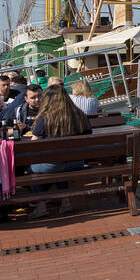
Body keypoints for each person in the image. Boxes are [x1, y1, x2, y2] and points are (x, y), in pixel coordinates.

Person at [25, 86, 91, 219]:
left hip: (54, 164)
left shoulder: (45, 118)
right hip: (77, 162)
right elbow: (88, 136)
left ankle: (41, 205)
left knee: (32, 169)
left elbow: (32, 145)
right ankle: (65, 201)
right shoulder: (79, 114)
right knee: (59, 163)